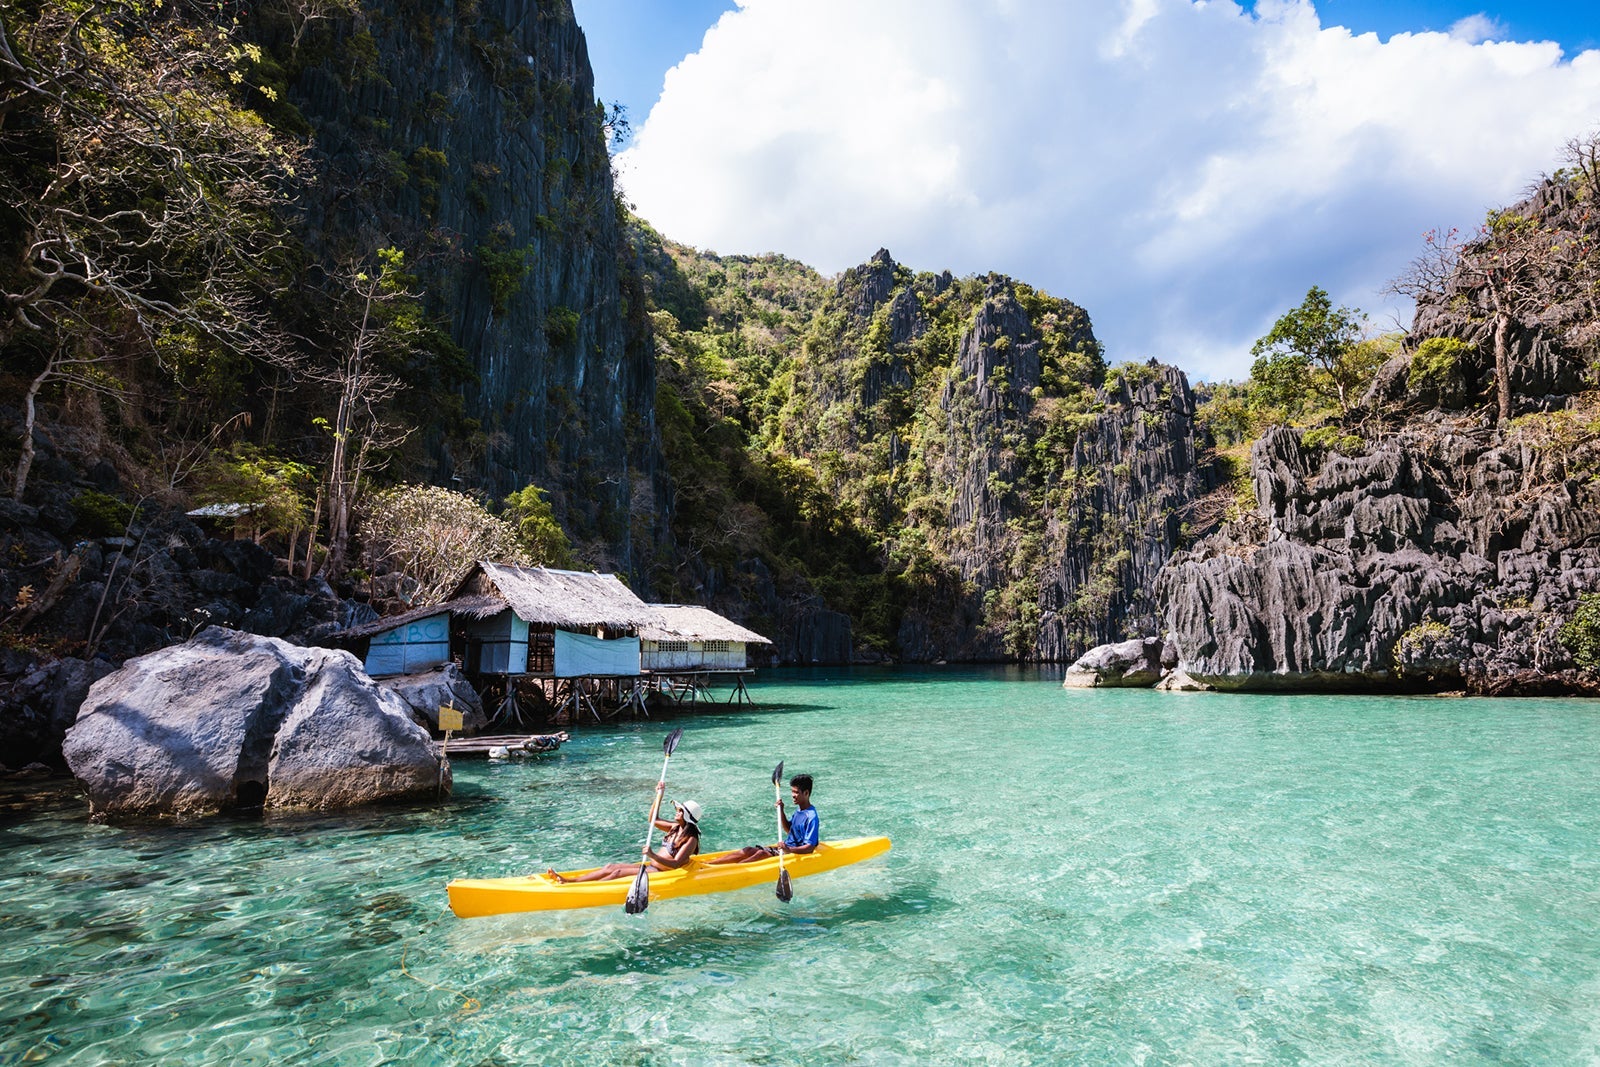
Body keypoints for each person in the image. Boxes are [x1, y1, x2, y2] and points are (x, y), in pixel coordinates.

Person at [547, 784, 702, 882]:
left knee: (618, 873)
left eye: (680, 811)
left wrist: (653, 855)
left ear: (687, 817)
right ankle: (572, 881)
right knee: (610, 867)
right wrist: (659, 796)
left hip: (662, 873)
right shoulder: (675, 827)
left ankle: (577, 888)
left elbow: (676, 864)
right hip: (653, 867)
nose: (676, 812)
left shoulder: (691, 839)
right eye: (678, 809)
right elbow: (653, 819)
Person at [707, 773, 819, 864]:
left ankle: (731, 870)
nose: (793, 795)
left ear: (806, 793)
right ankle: (709, 864)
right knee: (748, 850)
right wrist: (781, 811)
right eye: (792, 791)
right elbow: (789, 830)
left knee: (761, 854)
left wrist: (789, 850)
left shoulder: (811, 816)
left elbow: (810, 847)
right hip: (785, 849)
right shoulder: (799, 811)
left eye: (796, 792)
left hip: (792, 852)